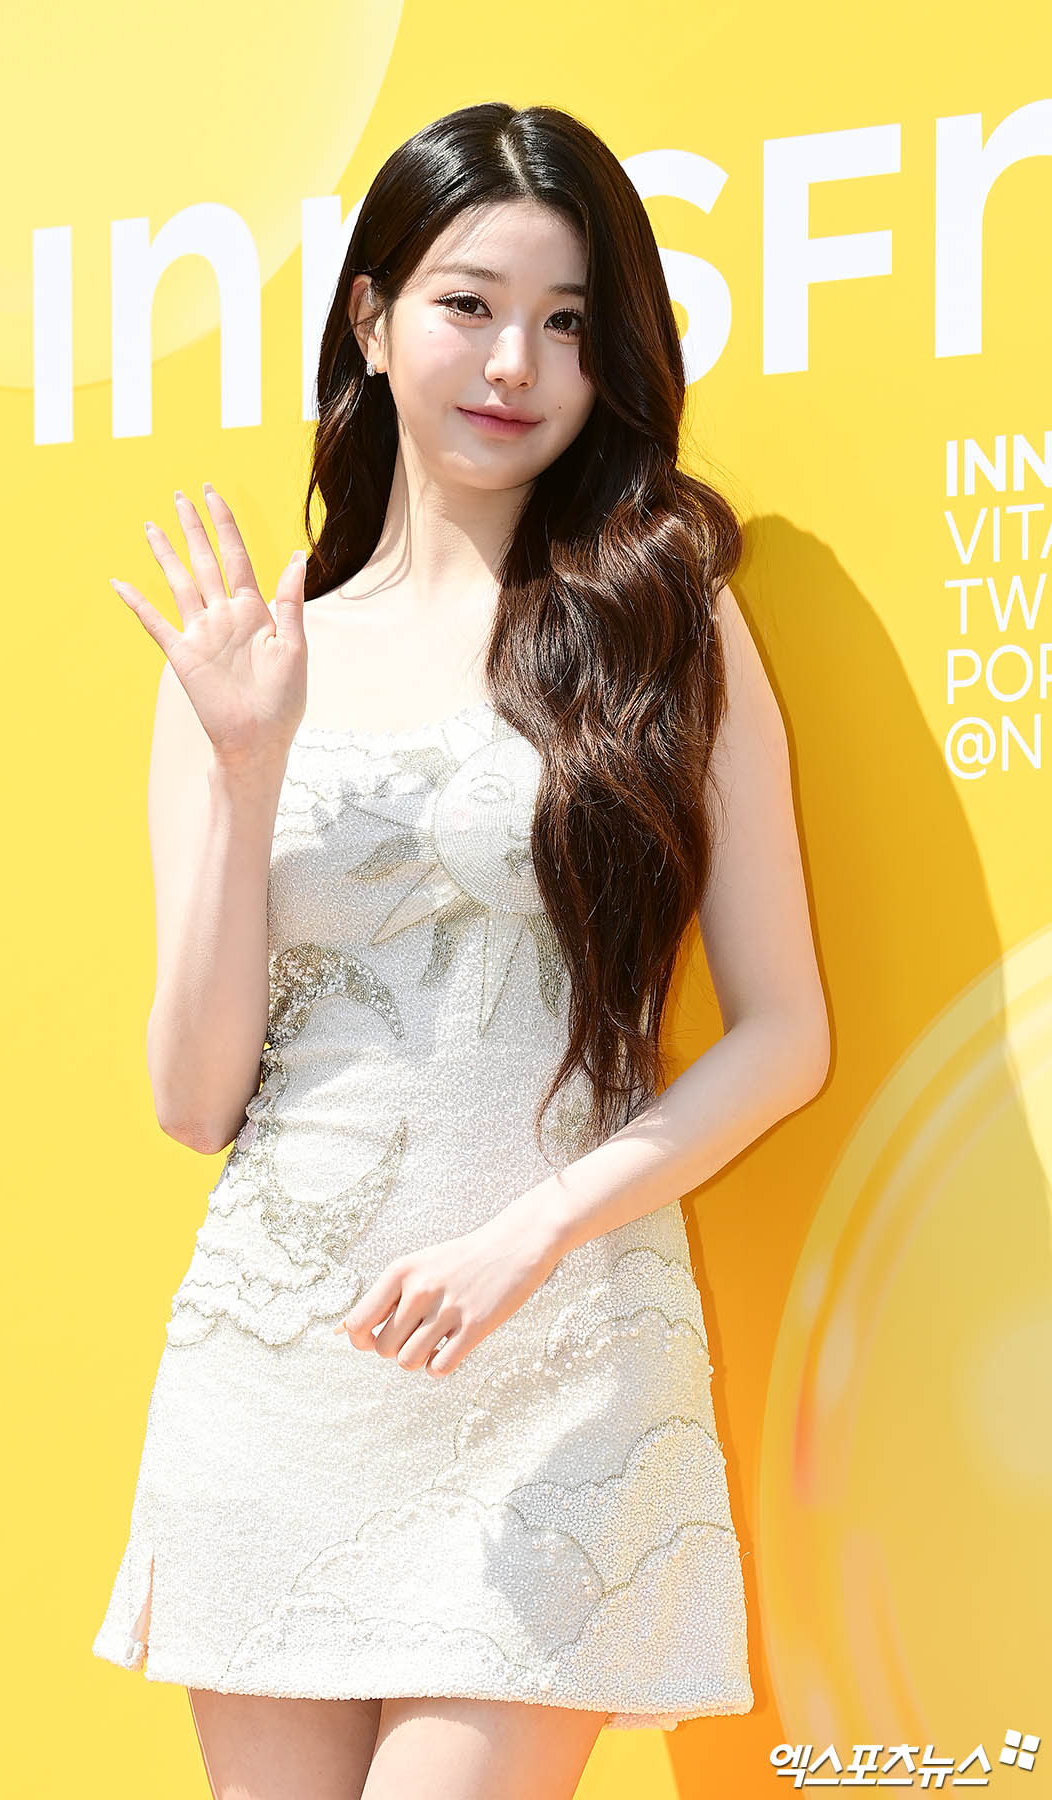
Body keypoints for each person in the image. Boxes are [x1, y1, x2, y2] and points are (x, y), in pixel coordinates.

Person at [93, 100, 829, 1800]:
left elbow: (785, 1033)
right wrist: (248, 762)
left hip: (558, 1359)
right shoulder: (247, 660)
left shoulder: (664, 621)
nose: (517, 364)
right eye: (470, 304)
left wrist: (536, 1232)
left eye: (567, 322)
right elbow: (195, 1101)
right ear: (371, 318)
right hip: (284, 1370)